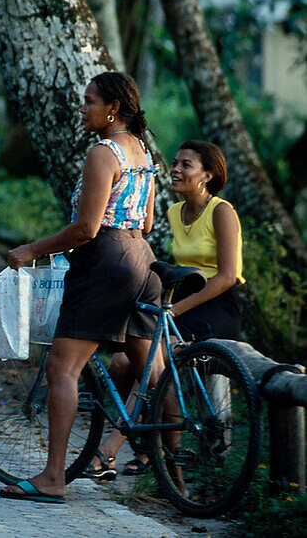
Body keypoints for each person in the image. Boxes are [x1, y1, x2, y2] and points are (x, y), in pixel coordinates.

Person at [0, 71, 160, 504]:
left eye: (89, 101)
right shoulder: (142, 152)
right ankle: (173, 473)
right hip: (141, 259)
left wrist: (31, 249)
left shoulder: (102, 154)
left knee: (62, 369)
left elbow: (87, 228)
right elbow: (146, 223)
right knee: (152, 370)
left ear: (113, 109)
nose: (83, 108)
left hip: (106, 263)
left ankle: (53, 478)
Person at [82, 140, 244, 480]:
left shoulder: (221, 211)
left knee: (159, 359)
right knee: (123, 361)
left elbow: (228, 275)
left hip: (214, 306)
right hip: (178, 301)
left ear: (207, 175)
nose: (176, 169)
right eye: (175, 162)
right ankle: (145, 449)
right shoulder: (173, 211)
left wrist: (178, 309)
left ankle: (109, 448)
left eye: (186, 164)